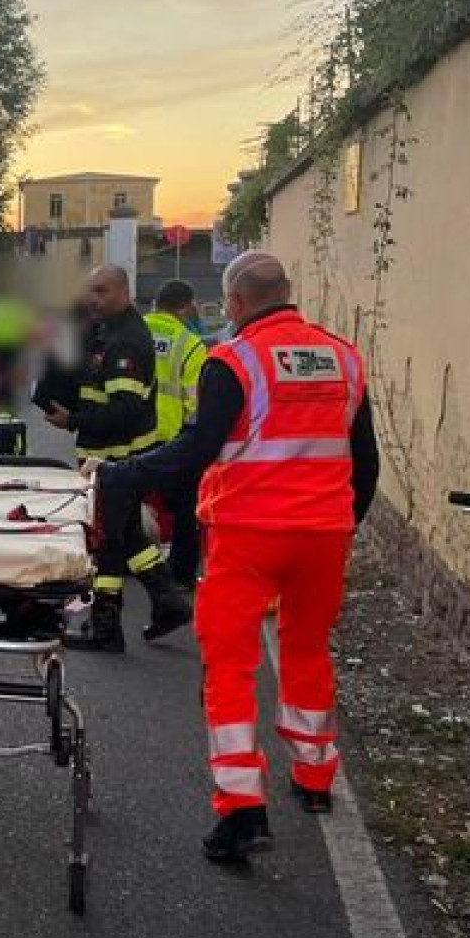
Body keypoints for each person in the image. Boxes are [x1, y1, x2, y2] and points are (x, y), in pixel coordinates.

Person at [88, 251, 378, 862]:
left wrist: (125, 475)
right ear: (287, 293)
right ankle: (314, 776)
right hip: (324, 535)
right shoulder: (344, 358)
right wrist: (341, 523)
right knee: (307, 649)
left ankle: (242, 810)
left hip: (248, 534)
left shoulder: (235, 360)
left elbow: (197, 449)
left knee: (229, 666)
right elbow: (365, 462)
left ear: (237, 303)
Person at [36, 265, 189, 651]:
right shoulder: (106, 331)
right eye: (90, 291)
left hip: (117, 460)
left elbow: (126, 411)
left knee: (106, 540)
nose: (94, 298)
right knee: (126, 532)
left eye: (102, 291)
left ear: (124, 292)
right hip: (105, 456)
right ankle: (169, 602)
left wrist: (73, 420)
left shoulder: (126, 343)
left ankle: (106, 628)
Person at [145, 279, 208, 585]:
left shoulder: (135, 330)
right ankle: (181, 572)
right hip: (171, 438)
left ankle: (128, 560)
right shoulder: (190, 344)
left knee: (129, 500)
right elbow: (196, 403)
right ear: (185, 307)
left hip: (130, 433)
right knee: (185, 508)